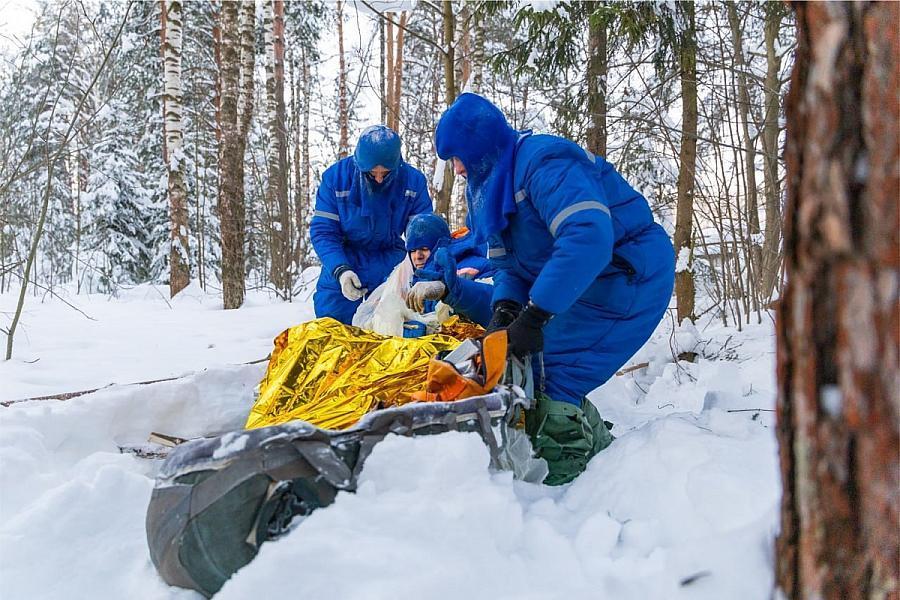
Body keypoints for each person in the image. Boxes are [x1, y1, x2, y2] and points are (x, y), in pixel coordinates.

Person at [434, 93, 675, 484]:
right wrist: (507, 308)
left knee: (553, 375)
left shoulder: (543, 163)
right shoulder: (486, 189)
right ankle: (590, 445)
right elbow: (506, 263)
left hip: (627, 275)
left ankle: (579, 476)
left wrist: (537, 314)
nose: (457, 169)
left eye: (458, 156)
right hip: (584, 280)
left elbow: (588, 235)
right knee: (526, 370)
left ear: (479, 146)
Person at [310, 125, 432, 324]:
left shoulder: (413, 181)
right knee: (331, 322)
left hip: (391, 257)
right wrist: (341, 271)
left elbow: (422, 230)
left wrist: (418, 260)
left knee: (397, 319)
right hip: (346, 255)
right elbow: (324, 232)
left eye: (385, 173)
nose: (378, 178)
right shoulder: (335, 178)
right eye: (372, 173)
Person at [402, 213, 494, 335]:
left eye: (424, 249)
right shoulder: (413, 279)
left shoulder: (474, 267)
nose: (417, 256)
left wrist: (449, 292)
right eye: (412, 251)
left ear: (440, 245)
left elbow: (495, 307)